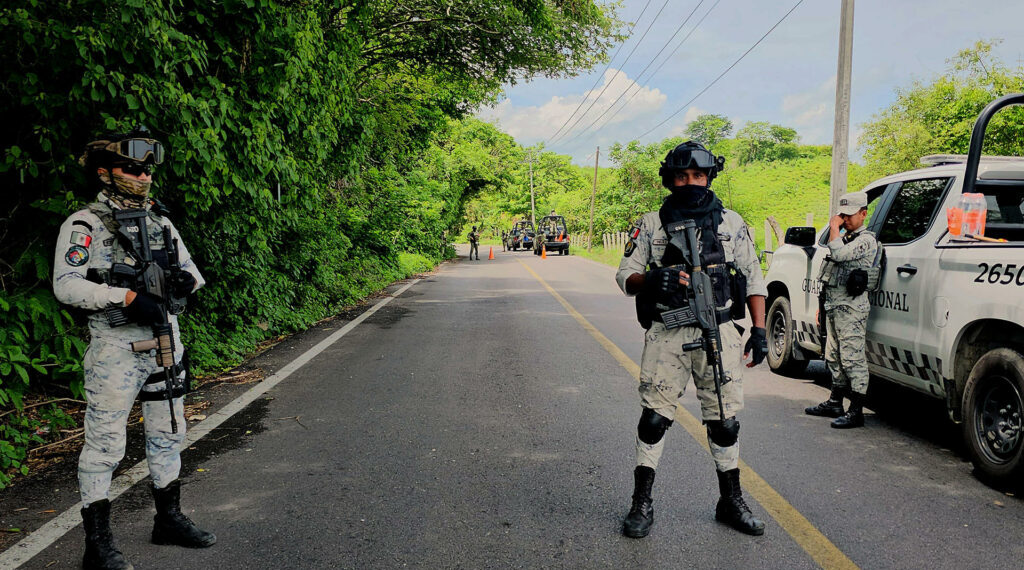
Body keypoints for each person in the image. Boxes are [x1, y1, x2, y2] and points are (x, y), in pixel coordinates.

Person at [53, 126, 216, 569]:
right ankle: (97, 544)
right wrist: (124, 297)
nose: (143, 177)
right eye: (131, 169)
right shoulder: (84, 224)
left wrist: (183, 282)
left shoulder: (161, 222)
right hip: (116, 348)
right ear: (105, 173)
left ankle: (168, 520)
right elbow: (67, 285)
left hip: (164, 340)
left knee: (169, 432)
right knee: (106, 443)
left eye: (146, 170)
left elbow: (193, 273)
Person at [615, 140, 769, 538]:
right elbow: (625, 276)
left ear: (709, 177)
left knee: (725, 423)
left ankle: (730, 501)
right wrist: (652, 279)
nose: (690, 183)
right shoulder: (651, 223)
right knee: (654, 419)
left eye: (698, 175)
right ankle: (641, 503)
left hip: (720, 331)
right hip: (667, 332)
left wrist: (760, 330)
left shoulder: (732, 223)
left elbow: (753, 277)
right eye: (681, 176)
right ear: (669, 180)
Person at [805, 191, 877, 429]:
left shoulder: (866, 241)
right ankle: (835, 402)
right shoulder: (846, 238)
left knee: (852, 358)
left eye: (849, 215)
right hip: (834, 306)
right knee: (833, 356)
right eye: (842, 215)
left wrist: (834, 226)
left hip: (852, 309)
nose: (844, 219)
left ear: (863, 214)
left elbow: (838, 254)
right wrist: (822, 308)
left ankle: (856, 411)